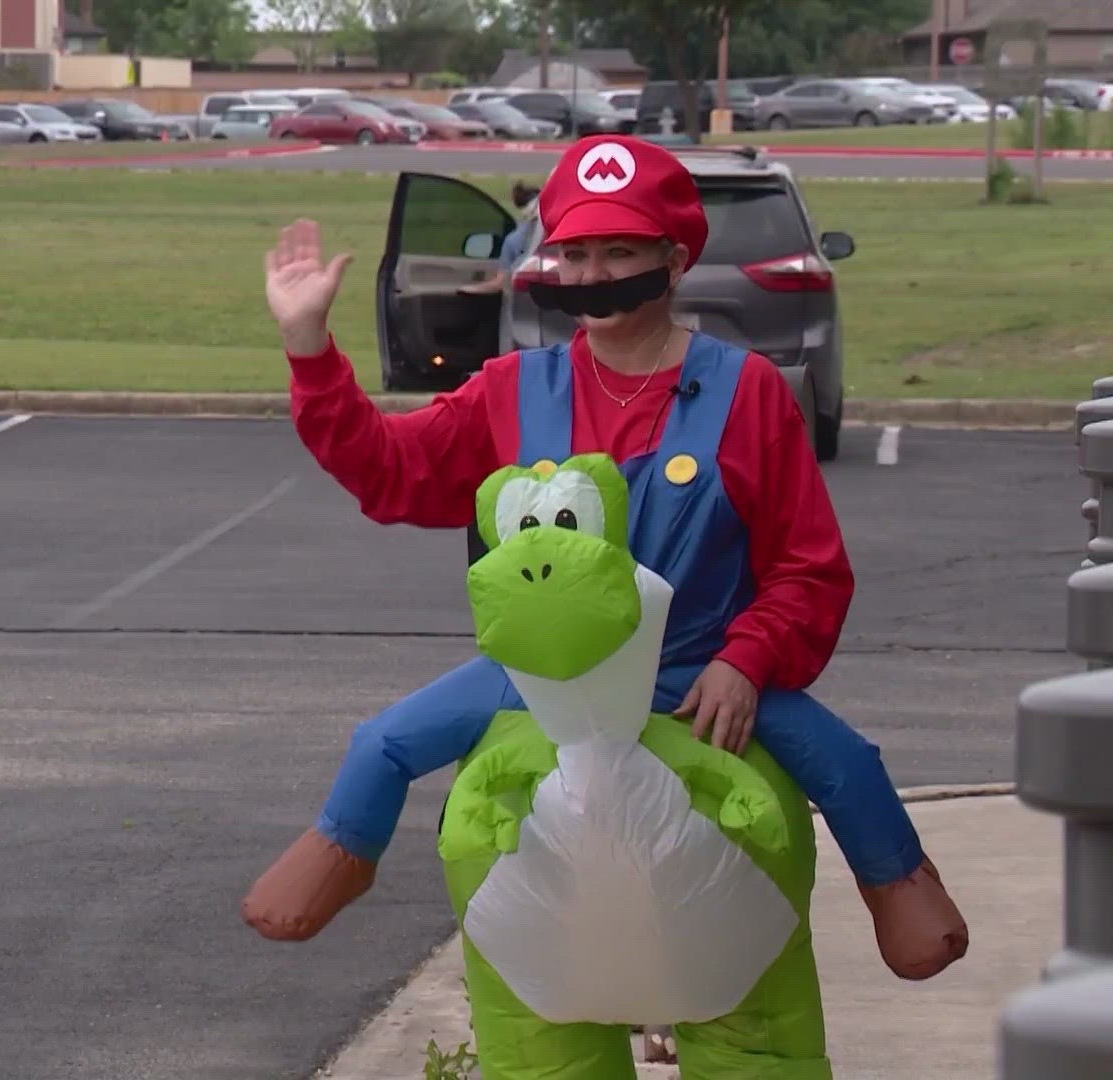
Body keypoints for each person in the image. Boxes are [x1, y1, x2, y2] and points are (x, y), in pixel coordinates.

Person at [241, 135, 971, 987]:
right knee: (382, 742)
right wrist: (308, 347)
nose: (593, 275)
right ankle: (341, 853)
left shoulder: (749, 393)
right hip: (543, 677)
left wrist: (747, 662)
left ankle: (898, 883)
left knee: (846, 762)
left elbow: (809, 571)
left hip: (696, 668)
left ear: (673, 257)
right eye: (575, 252)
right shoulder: (511, 388)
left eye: (619, 251)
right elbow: (390, 471)